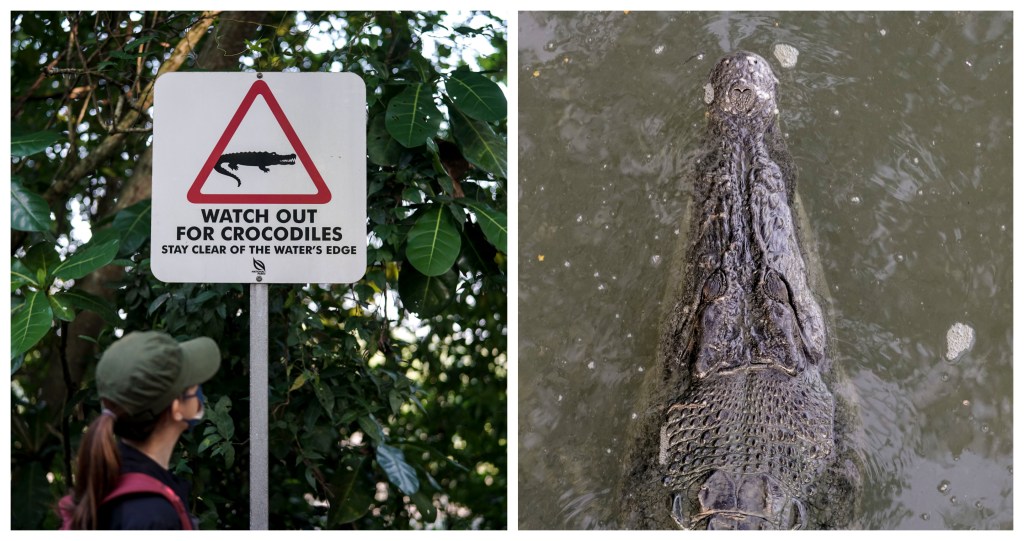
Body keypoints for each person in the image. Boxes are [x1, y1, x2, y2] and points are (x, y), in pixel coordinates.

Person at [60, 331, 221, 529]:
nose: (198, 387)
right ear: (176, 407)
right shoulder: (152, 517)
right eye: (190, 382)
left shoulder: (108, 480)